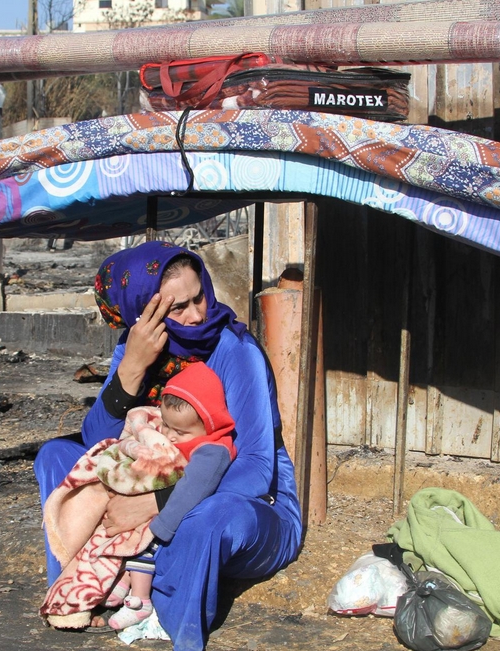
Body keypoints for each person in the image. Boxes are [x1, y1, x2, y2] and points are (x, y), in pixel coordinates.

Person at [33, 242, 302, 651]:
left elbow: (256, 468)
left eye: (200, 297)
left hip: (248, 508)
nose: (198, 315)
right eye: (178, 308)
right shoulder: (136, 346)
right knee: (55, 454)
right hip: (155, 484)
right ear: (144, 312)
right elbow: (95, 438)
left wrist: (160, 503)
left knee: (209, 517)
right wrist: (132, 369)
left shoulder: (234, 349)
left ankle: (170, 618)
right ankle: (78, 589)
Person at [104, 361, 237, 631]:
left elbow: (193, 488)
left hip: (170, 516)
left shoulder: (212, 449)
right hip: (154, 500)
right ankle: (123, 577)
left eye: (180, 432)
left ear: (209, 424)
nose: (170, 436)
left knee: (145, 545)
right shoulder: (179, 433)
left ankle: (140, 601)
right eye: (166, 426)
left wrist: (161, 527)